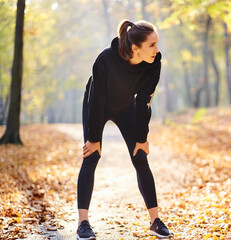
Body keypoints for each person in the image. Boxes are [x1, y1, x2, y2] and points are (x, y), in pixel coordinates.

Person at [76, 19, 173, 240]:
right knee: (91, 157)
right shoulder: (105, 60)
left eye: (157, 43)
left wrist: (142, 137)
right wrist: (93, 138)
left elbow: (144, 101)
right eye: (152, 45)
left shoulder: (154, 62)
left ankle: (155, 221)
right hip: (97, 104)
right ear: (134, 48)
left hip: (126, 106)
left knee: (140, 156)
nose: (157, 50)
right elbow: (97, 98)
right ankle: (83, 224)